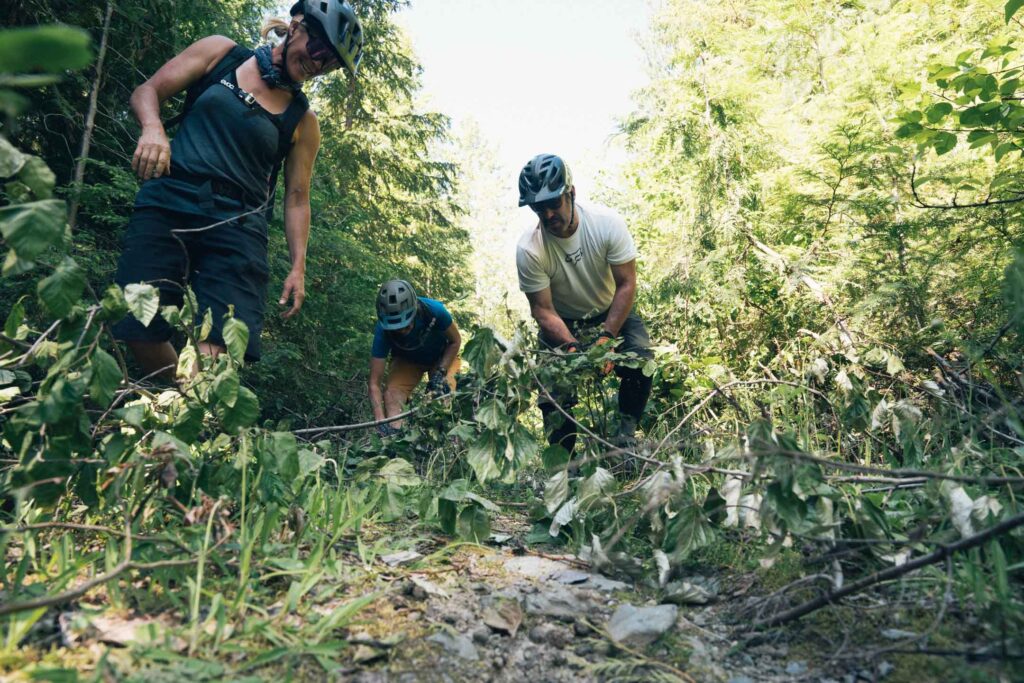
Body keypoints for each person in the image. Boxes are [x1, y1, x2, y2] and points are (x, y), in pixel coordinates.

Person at [112, 1, 363, 377]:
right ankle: (182, 405)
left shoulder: (303, 121)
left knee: (216, 354)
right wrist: (153, 128)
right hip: (170, 201)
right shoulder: (221, 54)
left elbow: (297, 199)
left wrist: (298, 267)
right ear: (297, 26)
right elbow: (146, 92)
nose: (318, 65)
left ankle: (182, 419)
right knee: (138, 325)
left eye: (331, 64)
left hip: (238, 228)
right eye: (320, 51)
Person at [515, 153, 654, 456]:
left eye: (554, 204)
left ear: (571, 194)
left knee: (641, 360)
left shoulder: (607, 224)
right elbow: (542, 310)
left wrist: (606, 338)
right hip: (563, 321)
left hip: (610, 309)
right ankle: (564, 464)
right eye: (540, 208)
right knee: (552, 393)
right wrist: (572, 347)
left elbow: (627, 284)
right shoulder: (530, 249)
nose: (549, 214)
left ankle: (625, 440)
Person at [368, 279, 462, 436]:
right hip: (407, 361)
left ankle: (447, 445)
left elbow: (455, 341)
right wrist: (380, 420)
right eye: (397, 328)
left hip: (442, 356)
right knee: (391, 394)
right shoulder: (382, 331)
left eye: (407, 325)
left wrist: (441, 371)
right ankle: (397, 440)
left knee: (443, 395)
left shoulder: (434, 311)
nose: (403, 331)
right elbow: (374, 384)